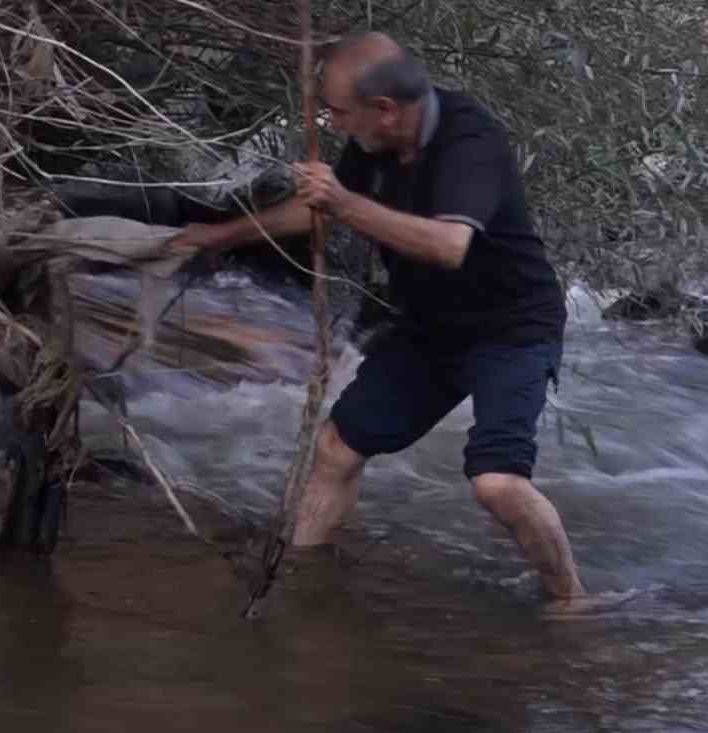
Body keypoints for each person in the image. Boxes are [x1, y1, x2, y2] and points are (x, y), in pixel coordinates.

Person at [168, 32, 598, 611]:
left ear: (386, 110)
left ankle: (571, 602)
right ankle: (300, 571)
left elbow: (449, 245)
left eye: (340, 113)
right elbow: (316, 208)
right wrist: (216, 238)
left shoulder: (470, 140)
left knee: (496, 483)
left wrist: (343, 204)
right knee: (338, 447)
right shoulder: (374, 140)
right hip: (431, 327)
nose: (335, 123)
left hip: (512, 328)